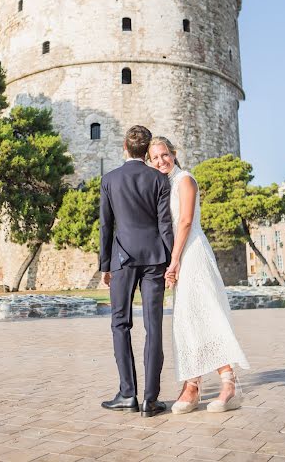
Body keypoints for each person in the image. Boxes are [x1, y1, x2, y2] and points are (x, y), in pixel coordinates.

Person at [148, 137, 249, 414]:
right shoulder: (164, 185)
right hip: (179, 257)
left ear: (174, 153)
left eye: (165, 155)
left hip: (192, 253)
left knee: (206, 315)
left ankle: (228, 383)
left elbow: (186, 221)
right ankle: (192, 384)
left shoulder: (185, 180)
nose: (160, 161)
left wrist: (175, 260)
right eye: (155, 158)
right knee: (187, 320)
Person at [99, 126, 174, 417]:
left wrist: (105, 265)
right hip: (155, 258)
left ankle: (127, 394)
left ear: (125, 148)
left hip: (122, 259)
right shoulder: (159, 179)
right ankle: (150, 400)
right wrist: (170, 262)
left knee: (121, 324)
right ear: (146, 152)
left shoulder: (109, 180)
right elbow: (164, 224)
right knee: (153, 326)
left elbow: (107, 226)